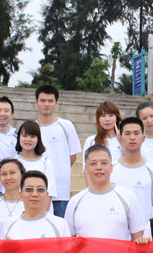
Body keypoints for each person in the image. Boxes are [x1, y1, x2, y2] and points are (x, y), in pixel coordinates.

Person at [112, 117, 153, 235]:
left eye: (136, 133)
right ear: (120, 138)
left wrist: (145, 232)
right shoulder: (111, 170)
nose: (132, 137)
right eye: (127, 133)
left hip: (144, 238)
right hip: (116, 237)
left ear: (143, 138)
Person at [33, 85, 79, 217]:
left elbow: (73, 157)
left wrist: (59, 173)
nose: (46, 104)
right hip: (36, 191)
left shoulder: (66, 126)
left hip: (60, 192)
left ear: (56, 103)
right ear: (36, 102)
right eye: (42, 100)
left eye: (50, 101)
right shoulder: (31, 128)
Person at [14, 121, 58, 198]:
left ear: (38, 139)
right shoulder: (13, 161)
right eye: (24, 136)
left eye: (32, 136)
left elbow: (49, 193)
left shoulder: (45, 161)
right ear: (19, 137)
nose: (28, 139)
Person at [82, 101, 123, 165]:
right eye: (103, 116)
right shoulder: (91, 141)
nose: (107, 119)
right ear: (98, 119)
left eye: (111, 115)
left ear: (117, 118)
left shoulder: (124, 140)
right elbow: (86, 167)